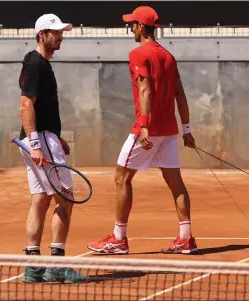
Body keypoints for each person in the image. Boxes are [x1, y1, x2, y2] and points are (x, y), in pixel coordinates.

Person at [87, 6, 198, 255]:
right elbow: (181, 94)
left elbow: (146, 89)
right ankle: (185, 238)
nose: (130, 28)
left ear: (140, 27)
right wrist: (187, 128)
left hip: (148, 128)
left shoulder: (138, 54)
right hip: (169, 129)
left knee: (121, 177)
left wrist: (145, 125)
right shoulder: (169, 56)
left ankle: (118, 239)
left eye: (132, 24)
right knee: (175, 181)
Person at [18, 13, 87, 284]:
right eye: (54, 32)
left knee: (40, 200)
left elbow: (39, 107)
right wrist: (38, 143)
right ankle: (57, 266)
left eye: (61, 32)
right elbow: (26, 105)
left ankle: (33, 267)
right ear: (41, 34)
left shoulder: (37, 63)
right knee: (65, 199)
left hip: (43, 138)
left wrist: (56, 138)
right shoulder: (36, 65)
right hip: (39, 141)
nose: (60, 36)